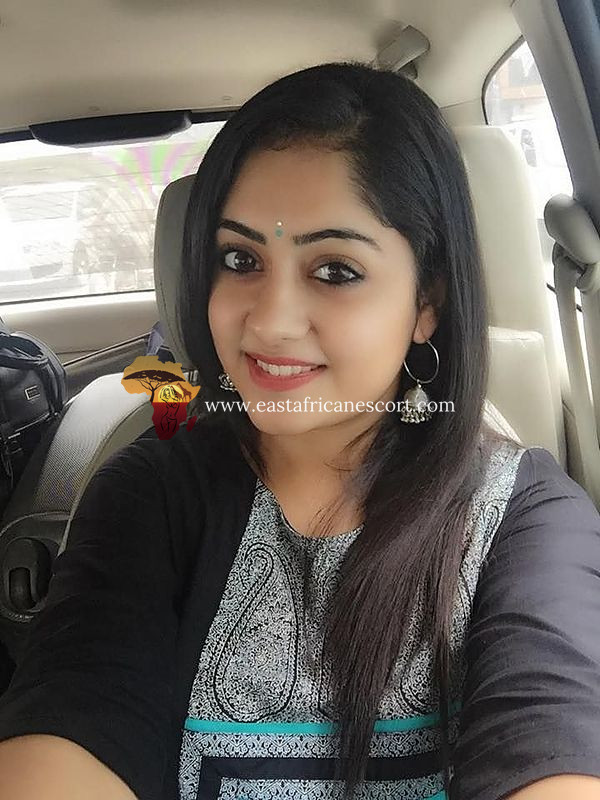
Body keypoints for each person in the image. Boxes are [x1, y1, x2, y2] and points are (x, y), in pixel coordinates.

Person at [1, 61, 600, 800]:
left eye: (335, 270)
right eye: (240, 259)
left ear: (426, 303)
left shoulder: (524, 516)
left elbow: (551, 730)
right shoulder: (149, 498)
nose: (270, 322)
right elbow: (74, 705)